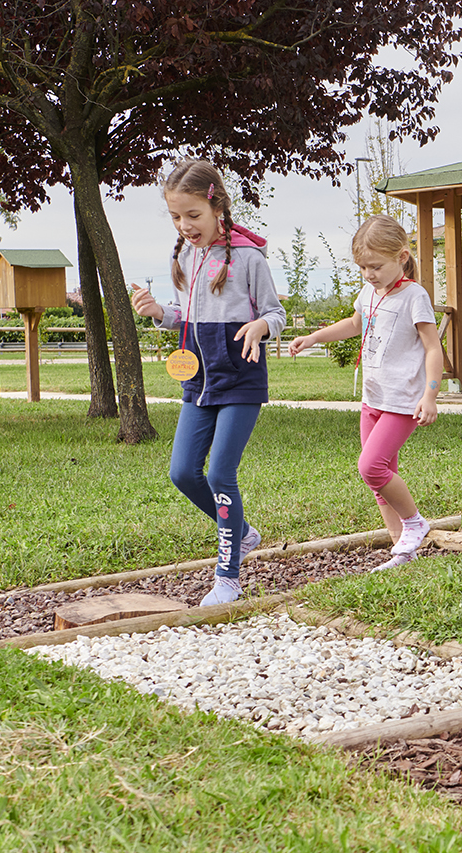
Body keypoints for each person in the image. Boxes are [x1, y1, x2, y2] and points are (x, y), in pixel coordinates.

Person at [127, 160, 285, 605]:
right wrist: (159, 313)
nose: (184, 225)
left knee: (220, 474)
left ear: (217, 207)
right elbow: (185, 316)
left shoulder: (249, 258)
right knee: (182, 473)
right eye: (176, 216)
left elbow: (276, 314)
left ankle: (228, 578)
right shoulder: (182, 255)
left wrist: (261, 327)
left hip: (240, 378)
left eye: (192, 215)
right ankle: (241, 532)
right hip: (200, 379)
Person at [289, 215, 443, 569]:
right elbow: (354, 324)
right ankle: (402, 550)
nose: (369, 274)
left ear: (402, 257)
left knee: (371, 467)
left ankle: (415, 523)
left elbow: (433, 348)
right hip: (373, 399)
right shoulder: (369, 293)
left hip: (402, 402)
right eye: (362, 267)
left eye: (376, 266)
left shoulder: (414, 296)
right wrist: (314, 337)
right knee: (381, 479)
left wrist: (430, 395)